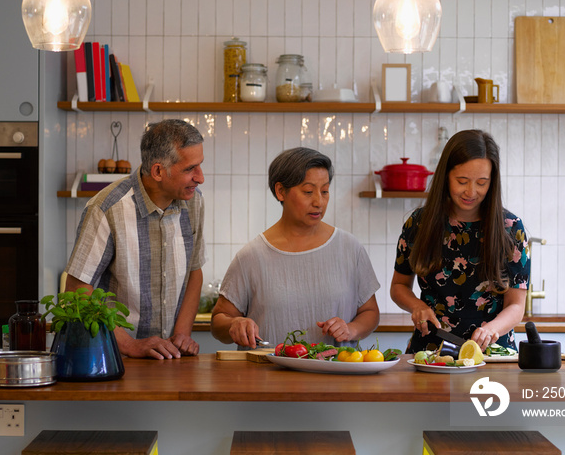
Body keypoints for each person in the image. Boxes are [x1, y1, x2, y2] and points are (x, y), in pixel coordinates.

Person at [64, 119, 206, 360]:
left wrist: (182, 335)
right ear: (158, 171)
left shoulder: (194, 202)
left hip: (170, 359)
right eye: (189, 169)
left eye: (200, 165)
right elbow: (78, 291)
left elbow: (195, 271)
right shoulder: (107, 208)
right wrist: (130, 345)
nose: (200, 177)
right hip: (113, 358)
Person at [211, 147, 380, 349]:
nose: (319, 201)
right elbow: (218, 322)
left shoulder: (350, 248)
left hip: (337, 375)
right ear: (280, 191)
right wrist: (234, 324)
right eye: (308, 192)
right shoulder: (252, 256)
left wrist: (351, 329)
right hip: (269, 377)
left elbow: (370, 312)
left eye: (325, 191)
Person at [390, 129, 530, 354]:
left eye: (482, 183)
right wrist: (417, 306)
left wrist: (491, 329)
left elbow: (516, 305)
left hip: (492, 353)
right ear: (446, 175)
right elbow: (398, 287)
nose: (471, 191)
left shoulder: (511, 228)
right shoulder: (419, 224)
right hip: (431, 350)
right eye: (462, 181)